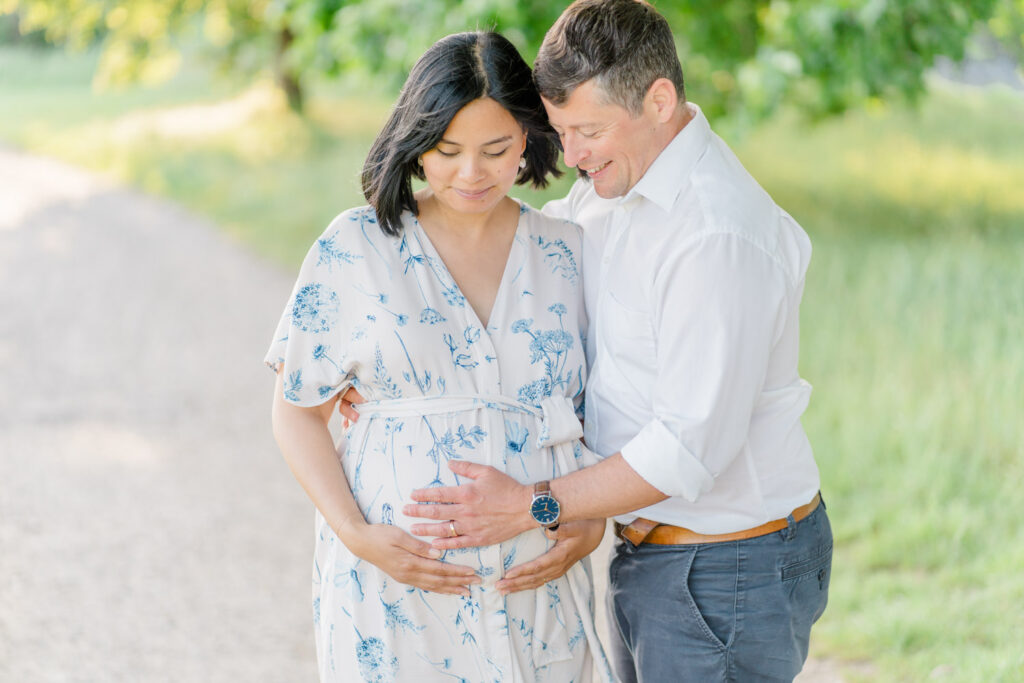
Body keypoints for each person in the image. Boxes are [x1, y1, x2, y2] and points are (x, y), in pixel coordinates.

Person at [396, 2, 834, 681]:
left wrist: (532, 502)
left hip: (726, 570)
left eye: (588, 130)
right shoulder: (612, 188)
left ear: (660, 100)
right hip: (655, 558)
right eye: (562, 131)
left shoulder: (714, 234)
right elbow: (528, 269)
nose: (570, 155)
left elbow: (687, 448)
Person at [266, 30, 616, 683]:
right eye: (447, 150)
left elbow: (600, 410)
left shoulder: (570, 252)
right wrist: (357, 534)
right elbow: (296, 411)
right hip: (395, 596)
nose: (471, 173)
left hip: (535, 591)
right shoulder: (356, 246)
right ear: (415, 141)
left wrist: (588, 521)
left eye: (495, 149)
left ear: (529, 139)